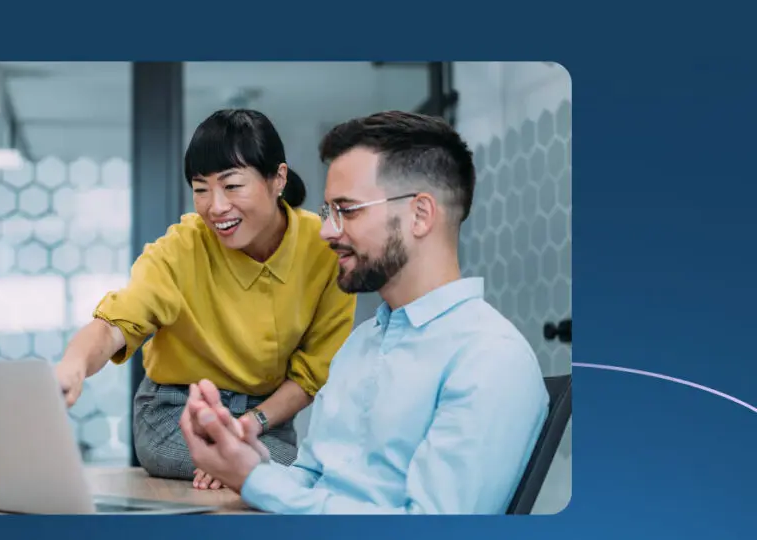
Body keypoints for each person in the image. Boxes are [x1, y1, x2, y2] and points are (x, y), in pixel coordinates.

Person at [179, 110, 549, 514]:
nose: (326, 231)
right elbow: (311, 478)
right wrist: (241, 461)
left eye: (348, 210)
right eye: (328, 212)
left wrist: (255, 480)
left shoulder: (490, 358)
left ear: (420, 215)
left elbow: (429, 537)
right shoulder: (360, 345)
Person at [55, 109, 357, 489]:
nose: (216, 207)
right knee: (271, 473)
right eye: (201, 189)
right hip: (176, 414)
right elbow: (118, 322)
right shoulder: (181, 248)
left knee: (301, 472)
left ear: (278, 178)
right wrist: (74, 363)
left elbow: (313, 374)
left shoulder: (325, 248)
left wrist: (246, 430)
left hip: (267, 420)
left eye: (232, 186)